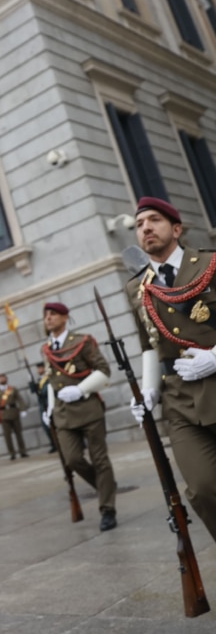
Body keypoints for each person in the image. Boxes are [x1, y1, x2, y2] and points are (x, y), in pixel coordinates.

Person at [125, 196, 216, 542]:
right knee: (204, 489)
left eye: (154, 220)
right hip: (179, 402)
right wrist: (148, 391)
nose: (145, 227)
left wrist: (215, 356)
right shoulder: (137, 287)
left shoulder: (209, 264)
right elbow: (149, 344)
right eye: (139, 224)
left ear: (176, 229)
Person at [40, 302, 116, 531]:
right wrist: (50, 409)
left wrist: (81, 390)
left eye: (53, 314)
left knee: (100, 459)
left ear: (65, 317)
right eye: (46, 315)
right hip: (62, 414)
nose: (48, 318)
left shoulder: (83, 341)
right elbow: (53, 382)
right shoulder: (46, 349)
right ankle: (106, 486)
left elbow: (104, 371)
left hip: (88, 409)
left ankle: (108, 508)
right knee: (71, 459)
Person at [0, 373, 28, 460]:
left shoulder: (12, 389)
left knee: (18, 433)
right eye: (0, 378)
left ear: (6, 379)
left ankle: (22, 451)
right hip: (4, 415)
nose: (2, 379)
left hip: (14, 412)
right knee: (7, 436)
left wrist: (23, 409)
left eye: (3, 378)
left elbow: (19, 399)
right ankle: (12, 453)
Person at [29, 362, 56, 453]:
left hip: (50, 403)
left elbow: (45, 391)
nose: (38, 370)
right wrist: (31, 382)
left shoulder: (48, 378)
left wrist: (40, 391)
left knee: (56, 424)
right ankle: (53, 444)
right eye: (38, 369)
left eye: (40, 368)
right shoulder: (39, 380)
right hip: (42, 405)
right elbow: (33, 391)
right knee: (46, 426)